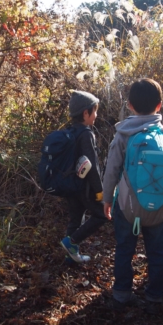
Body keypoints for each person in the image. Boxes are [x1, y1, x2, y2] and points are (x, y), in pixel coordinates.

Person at [102, 79, 163, 315]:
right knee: (157, 253)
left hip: (127, 208)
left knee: (125, 249)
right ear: (160, 106)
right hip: (159, 210)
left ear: (130, 105)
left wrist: (107, 199)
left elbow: (111, 170)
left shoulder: (124, 134)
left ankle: (122, 294)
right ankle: (155, 296)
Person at [59, 90, 107, 264]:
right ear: (85, 113)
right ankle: (71, 242)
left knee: (75, 220)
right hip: (85, 187)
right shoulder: (86, 134)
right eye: (94, 111)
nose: (96, 115)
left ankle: (70, 258)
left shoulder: (70, 131)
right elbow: (92, 166)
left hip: (71, 185)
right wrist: (100, 191)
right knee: (102, 215)